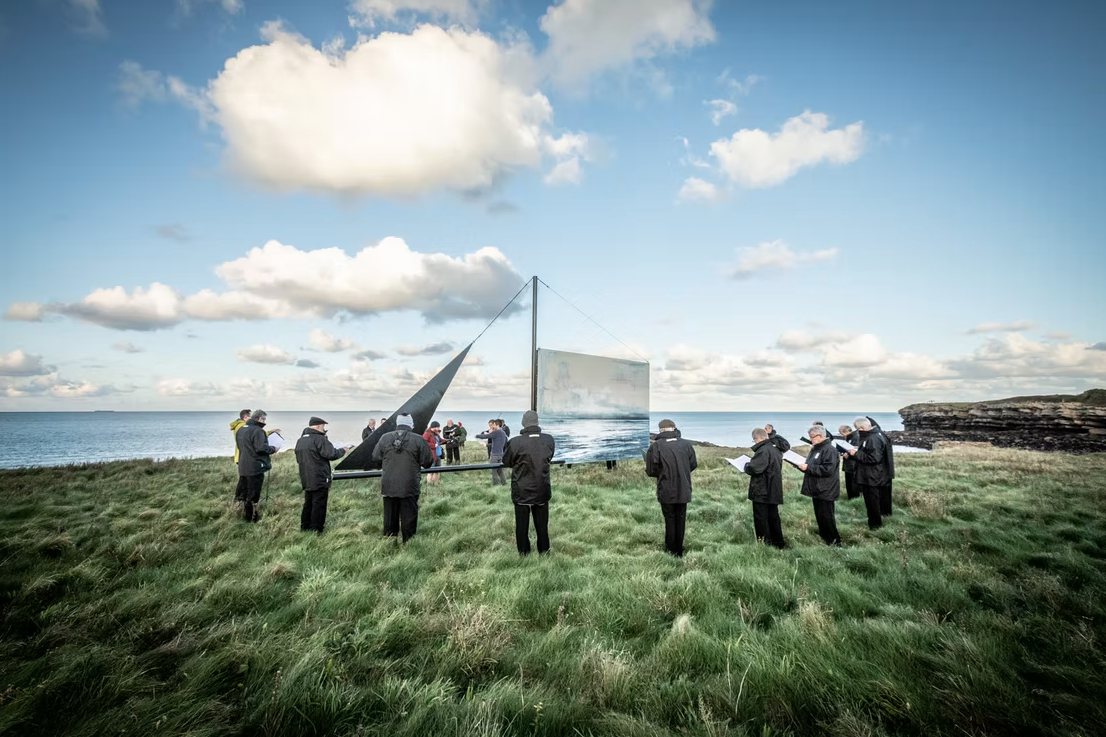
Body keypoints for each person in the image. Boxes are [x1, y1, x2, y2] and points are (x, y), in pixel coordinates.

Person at [501, 410, 557, 555]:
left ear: (523, 423)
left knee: (521, 526)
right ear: (537, 422)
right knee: (542, 525)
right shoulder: (549, 440)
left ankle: (524, 553)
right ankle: (544, 551)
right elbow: (549, 456)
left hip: (522, 490)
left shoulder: (515, 442)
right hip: (542, 489)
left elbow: (506, 461)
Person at [373, 414, 434, 542]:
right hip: (410, 484)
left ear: (397, 423)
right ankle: (409, 542)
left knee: (390, 516)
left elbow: (376, 457)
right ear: (411, 424)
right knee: (409, 515)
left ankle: (389, 541)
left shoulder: (385, 438)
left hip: (389, 483)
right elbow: (427, 462)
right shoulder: (418, 439)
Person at [644, 418, 698, 557]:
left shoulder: (656, 447)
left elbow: (651, 471)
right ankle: (679, 549)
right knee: (680, 519)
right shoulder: (686, 444)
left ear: (660, 430)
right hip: (684, 488)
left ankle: (670, 550)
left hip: (666, 488)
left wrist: (663, 474)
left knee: (670, 519)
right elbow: (693, 464)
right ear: (674, 428)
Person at [294, 416, 350, 534]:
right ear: (319, 426)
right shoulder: (319, 439)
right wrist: (343, 450)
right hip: (319, 476)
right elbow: (331, 454)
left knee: (308, 502)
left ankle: (305, 527)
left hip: (305, 476)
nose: (324, 430)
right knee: (319, 503)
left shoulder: (301, 440)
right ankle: (316, 529)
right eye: (323, 427)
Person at [797, 426, 842, 546]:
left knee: (827, 516)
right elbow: (812, 466)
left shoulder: (830, 450)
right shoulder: (816, 449)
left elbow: (828, 469)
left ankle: (835, 542)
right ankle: (825, 537)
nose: (810, 440)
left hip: (826, 488)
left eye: (812, 437)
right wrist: (803, 467)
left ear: (821, 436)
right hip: (816, 488)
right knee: (820, 515)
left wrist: (809, 468)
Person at [744, 427, 786, 548]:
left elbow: (755, 468)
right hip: (774, 488)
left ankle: (764, 543)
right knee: (773, 516)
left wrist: (747, 465)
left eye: (754, 440)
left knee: (761, 517)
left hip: (762, 489)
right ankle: (778, 542)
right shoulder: (776, 449)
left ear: (757, 439)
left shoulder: (763, 450)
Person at [848, 417, 891, 530]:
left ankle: (875, 526)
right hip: (874, 474)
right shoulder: (877, 435)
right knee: (874, 501)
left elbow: (874, 458)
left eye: (857, 429)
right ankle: (875, 523)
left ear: (862, 428)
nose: (857, 432)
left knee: (872, 502)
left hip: (872, 476)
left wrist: (855, 453)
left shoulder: (873, 438)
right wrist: (859, 449)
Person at [236, 409, 278, 523]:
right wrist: (273, 449)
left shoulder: (241, 429)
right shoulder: (258, 431)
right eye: (263, 419)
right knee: (253, 493)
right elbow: (261, 448)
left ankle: (241, 513)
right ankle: (251, 517)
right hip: (255, 466)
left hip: (243, 464)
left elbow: (241, 447)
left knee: (244, 492)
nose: (264, 422)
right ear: (258, 419)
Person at [867, 415, 896, 516]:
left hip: (882, 470)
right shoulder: (881, 435)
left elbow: (876, 456)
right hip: (885, 469)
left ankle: (885, 513)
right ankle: (886, 513)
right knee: (885, 494)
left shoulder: (877, 437)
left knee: (883, 494)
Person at [476, 420, 508, 485]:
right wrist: (487, 445)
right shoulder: (503, 433)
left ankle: (495, 484)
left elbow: (485, 436)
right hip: (501, 454)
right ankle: (504, 483)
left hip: (494, 455)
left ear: (497, 425)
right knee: (500, 470)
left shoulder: (496, 432)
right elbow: (500, 442)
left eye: (494, 425)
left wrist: (477, 435)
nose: (492, 426)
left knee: (494, 471)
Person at [838, 424, 860, 499]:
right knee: (848, 482)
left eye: (841, 433)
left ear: (846, 431)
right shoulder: (848, 438)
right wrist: (843, 452)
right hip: (848, 464)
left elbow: (856, 449)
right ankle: (849, 497)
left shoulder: (855, 437)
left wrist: (848, 453)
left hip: (853, 465)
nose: (841, 435)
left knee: (853, 483)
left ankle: (854, 498)